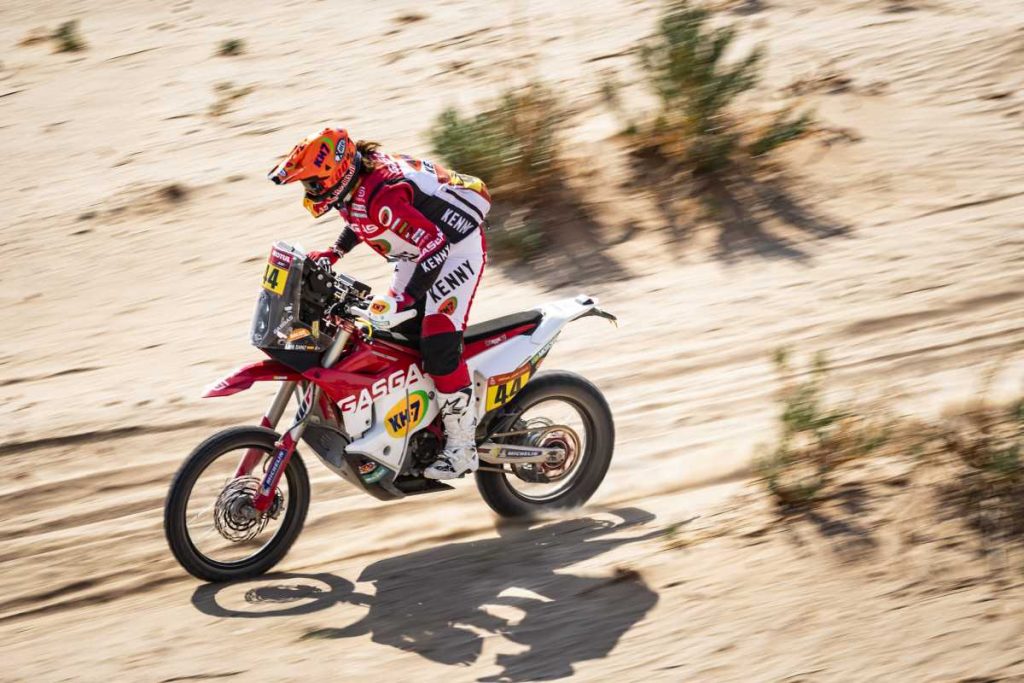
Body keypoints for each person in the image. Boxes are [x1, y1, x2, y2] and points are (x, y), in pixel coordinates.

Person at [268, 127, 489, 480]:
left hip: (454, 251)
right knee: (388, 334)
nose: (308, 191)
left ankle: (462, 448)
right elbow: (360, 216)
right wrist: (336, 251)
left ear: (335, 175)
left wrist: (406, 299)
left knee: (437, 340)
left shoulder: (383, 195)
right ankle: (419, 422)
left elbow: (435, 245)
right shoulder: (356, 184)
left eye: (312, 183)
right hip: (418, 251)